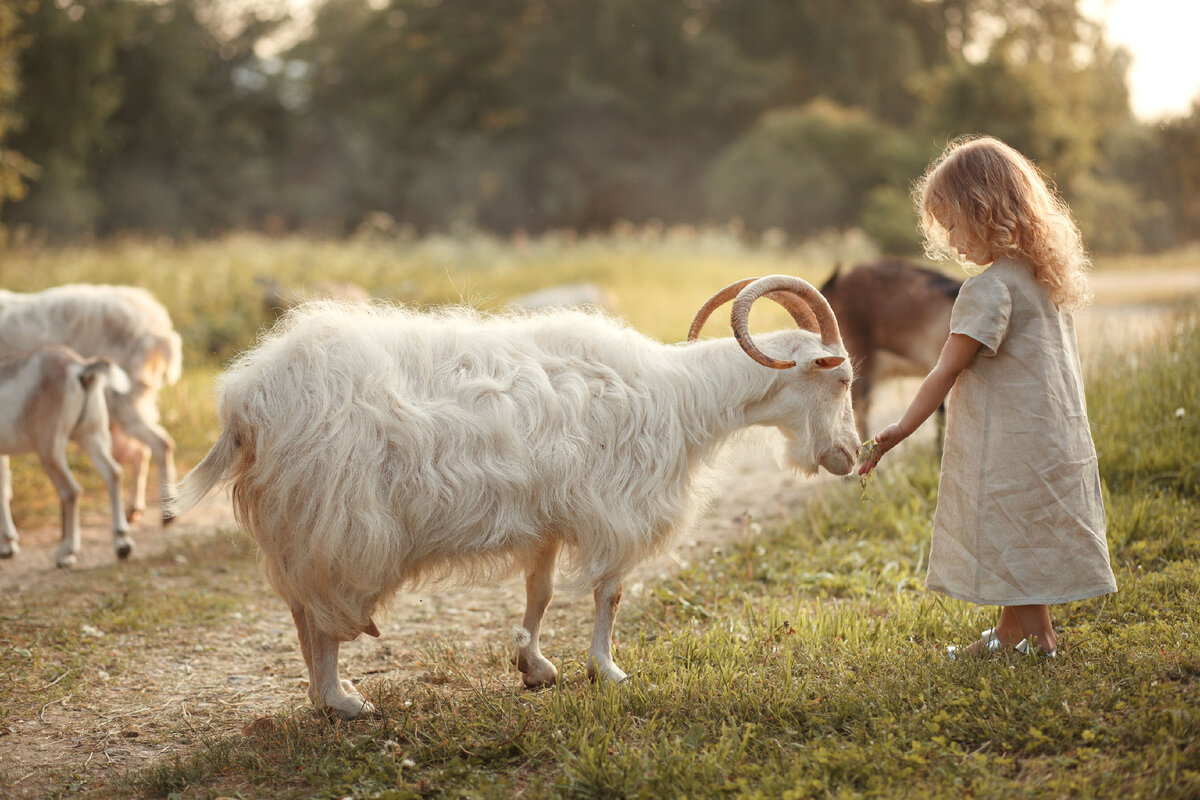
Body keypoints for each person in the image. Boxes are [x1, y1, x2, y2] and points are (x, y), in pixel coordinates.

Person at [858, 135, 1117, 658]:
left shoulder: (987, 289)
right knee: (1016, 531)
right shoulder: (1042, 280)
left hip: (1009, 444)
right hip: (1051, 434)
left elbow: (943, 372)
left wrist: (899, 430)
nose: (950, 240)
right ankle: (1010, 633)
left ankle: (1040, 638)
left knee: (1010, 530)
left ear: (985, 210)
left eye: (953, 223)